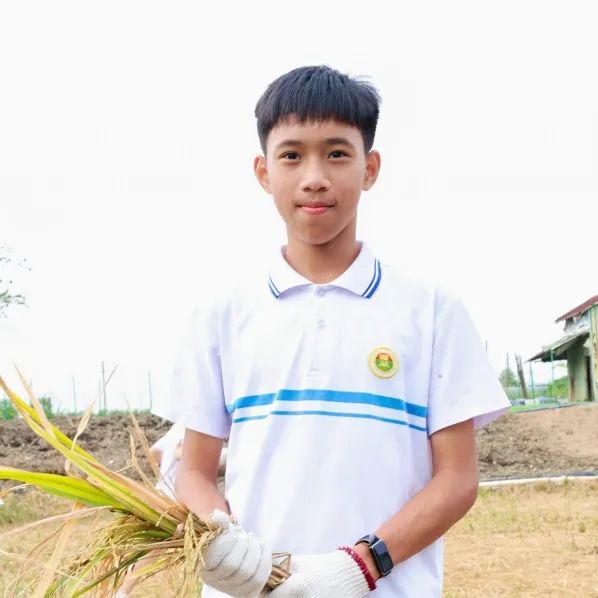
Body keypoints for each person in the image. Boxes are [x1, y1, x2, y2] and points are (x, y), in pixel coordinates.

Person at [155, 65, 510, 597]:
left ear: (370, 168)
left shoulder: (432, 310)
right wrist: (226, 545)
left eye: (337, 153)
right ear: (263, 171)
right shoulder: (223, 313)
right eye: (291, 155)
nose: (314, 176)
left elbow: (457, 479)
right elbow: (194, 473)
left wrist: (361, 565)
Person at [115, 422, 185, 597]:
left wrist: (166, 467)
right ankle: (121, 592)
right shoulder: (195, 427)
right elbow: (182, 453)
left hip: (160, 495)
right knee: (155, 548)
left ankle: (121, 591)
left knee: (153, 548)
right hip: (173, 503)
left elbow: (153, 453)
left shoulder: (177, 427)